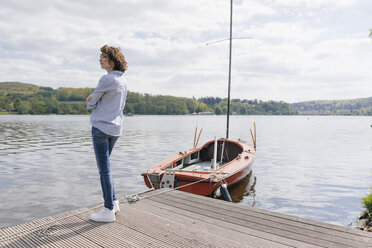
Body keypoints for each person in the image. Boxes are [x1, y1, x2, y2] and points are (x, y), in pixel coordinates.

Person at [86, 45, 128, 222]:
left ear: (112, 60)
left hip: (101, 128)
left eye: (103, 56)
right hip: (115, 129)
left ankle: (108, 210)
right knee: (107, 168)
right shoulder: (123, 80)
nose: (100, 59)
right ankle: (114, 202)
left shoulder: (106, 79)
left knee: (104, 170)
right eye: (100, 56)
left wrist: (89, 100)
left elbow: (92, 103)